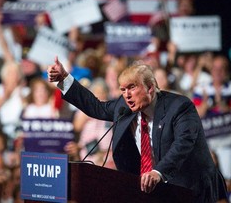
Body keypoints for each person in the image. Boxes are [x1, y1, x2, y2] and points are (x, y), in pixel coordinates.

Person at [47, 57, 227, 202]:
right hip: (152, 191)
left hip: (193, 188)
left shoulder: (179, 106)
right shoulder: (124, 107)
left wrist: (158, 172)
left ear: (150, 87)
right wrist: (64, 79)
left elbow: (183, 144)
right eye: (123, 89)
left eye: (132, 87)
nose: (126, 95)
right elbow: (95, 107)